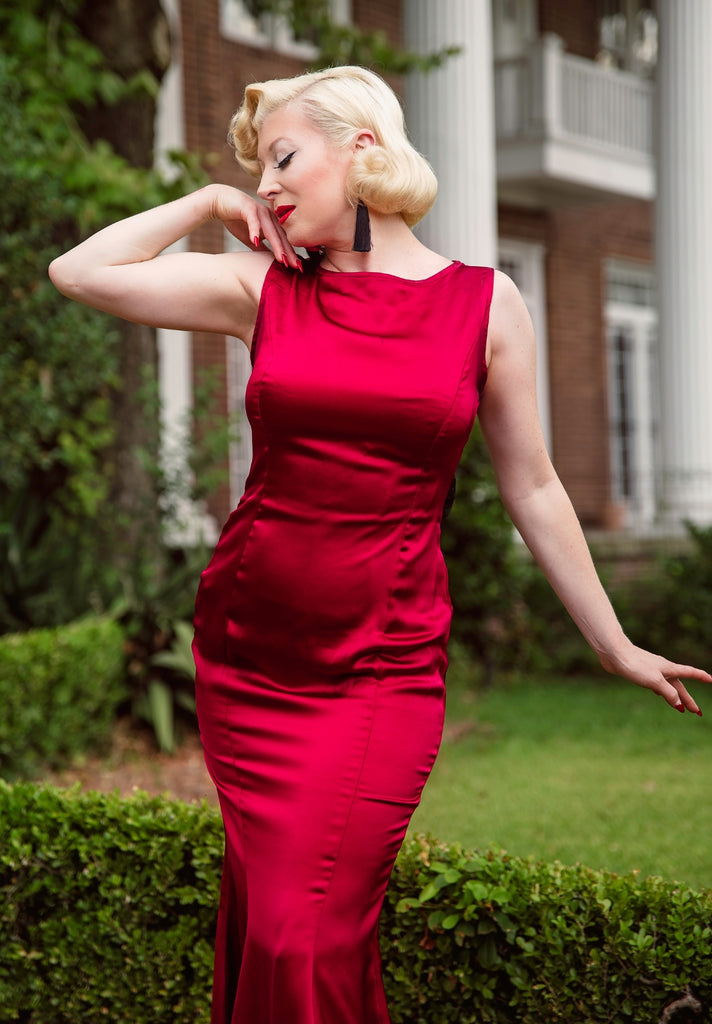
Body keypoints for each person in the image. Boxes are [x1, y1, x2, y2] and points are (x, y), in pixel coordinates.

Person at [49, 65, 710, 1024]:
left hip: (378, 669)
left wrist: (612, 643)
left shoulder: (486, 306)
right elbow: (81, 273)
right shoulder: (264, 286)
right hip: (250, 659)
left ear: (363, 147)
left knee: (300, 933)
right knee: (295, 930)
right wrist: (205, 200)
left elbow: (533, 484)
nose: (266, 183)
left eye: (282, 157)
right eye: (257, 167)